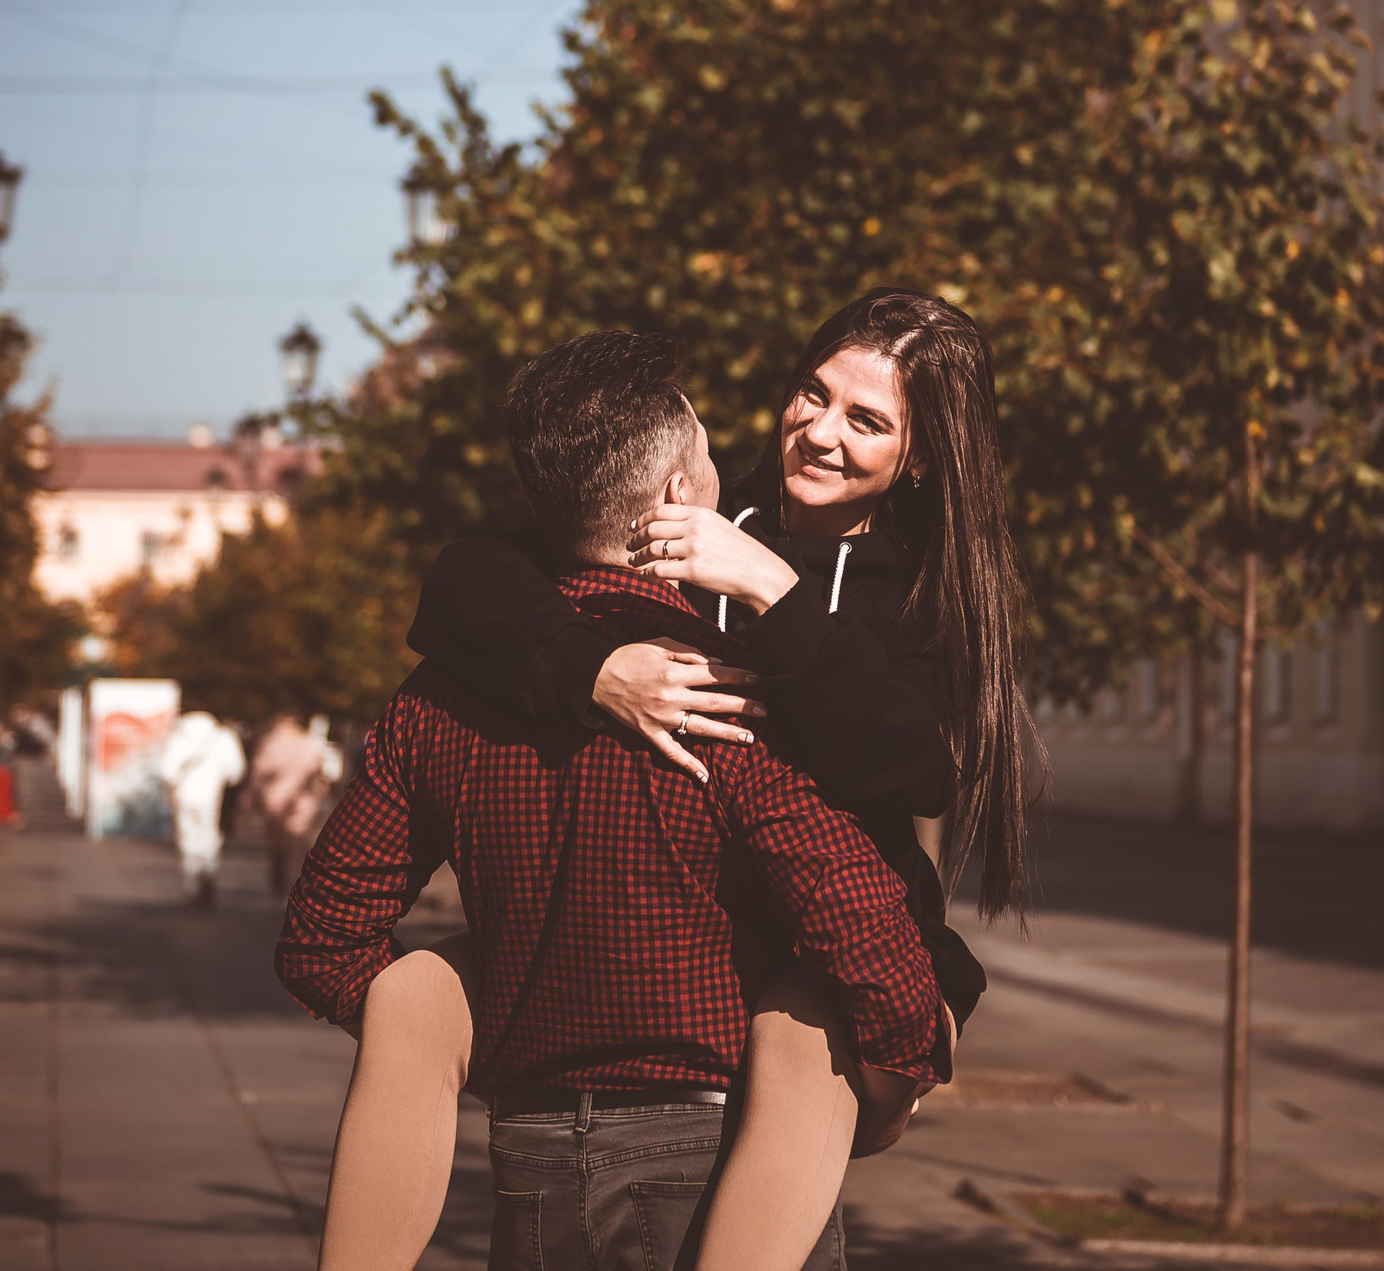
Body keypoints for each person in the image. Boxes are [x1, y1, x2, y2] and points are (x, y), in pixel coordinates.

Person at [346, 288, 1036, 1268]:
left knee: (804, 1014)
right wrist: (587, 667)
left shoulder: (928, 588)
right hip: (658, 930)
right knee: (414, 991)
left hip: (832, 945)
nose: (819, 431)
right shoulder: (698, 497)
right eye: (813, 391)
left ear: (920, 457)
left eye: (866, 420)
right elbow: (470, 578)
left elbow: (907, 762)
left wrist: (769, 586)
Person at [161, 710, 246, 909]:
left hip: (184, 797)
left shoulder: (180, 735)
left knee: (188, 841)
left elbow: (166, 771)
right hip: (212, 798)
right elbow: (236, 771)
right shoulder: (223, 736)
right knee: (209, 839)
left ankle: (191, 887)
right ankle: (208, 874)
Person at [250, 711, 335, 897]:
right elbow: (318, 770)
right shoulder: (308, 743)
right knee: (298, 841)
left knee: (278, 842)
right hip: (303, 800)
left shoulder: (271, 743)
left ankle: (278, 880)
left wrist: (252, 796)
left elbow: (260, 771)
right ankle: (294, 880)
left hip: (275, 798)